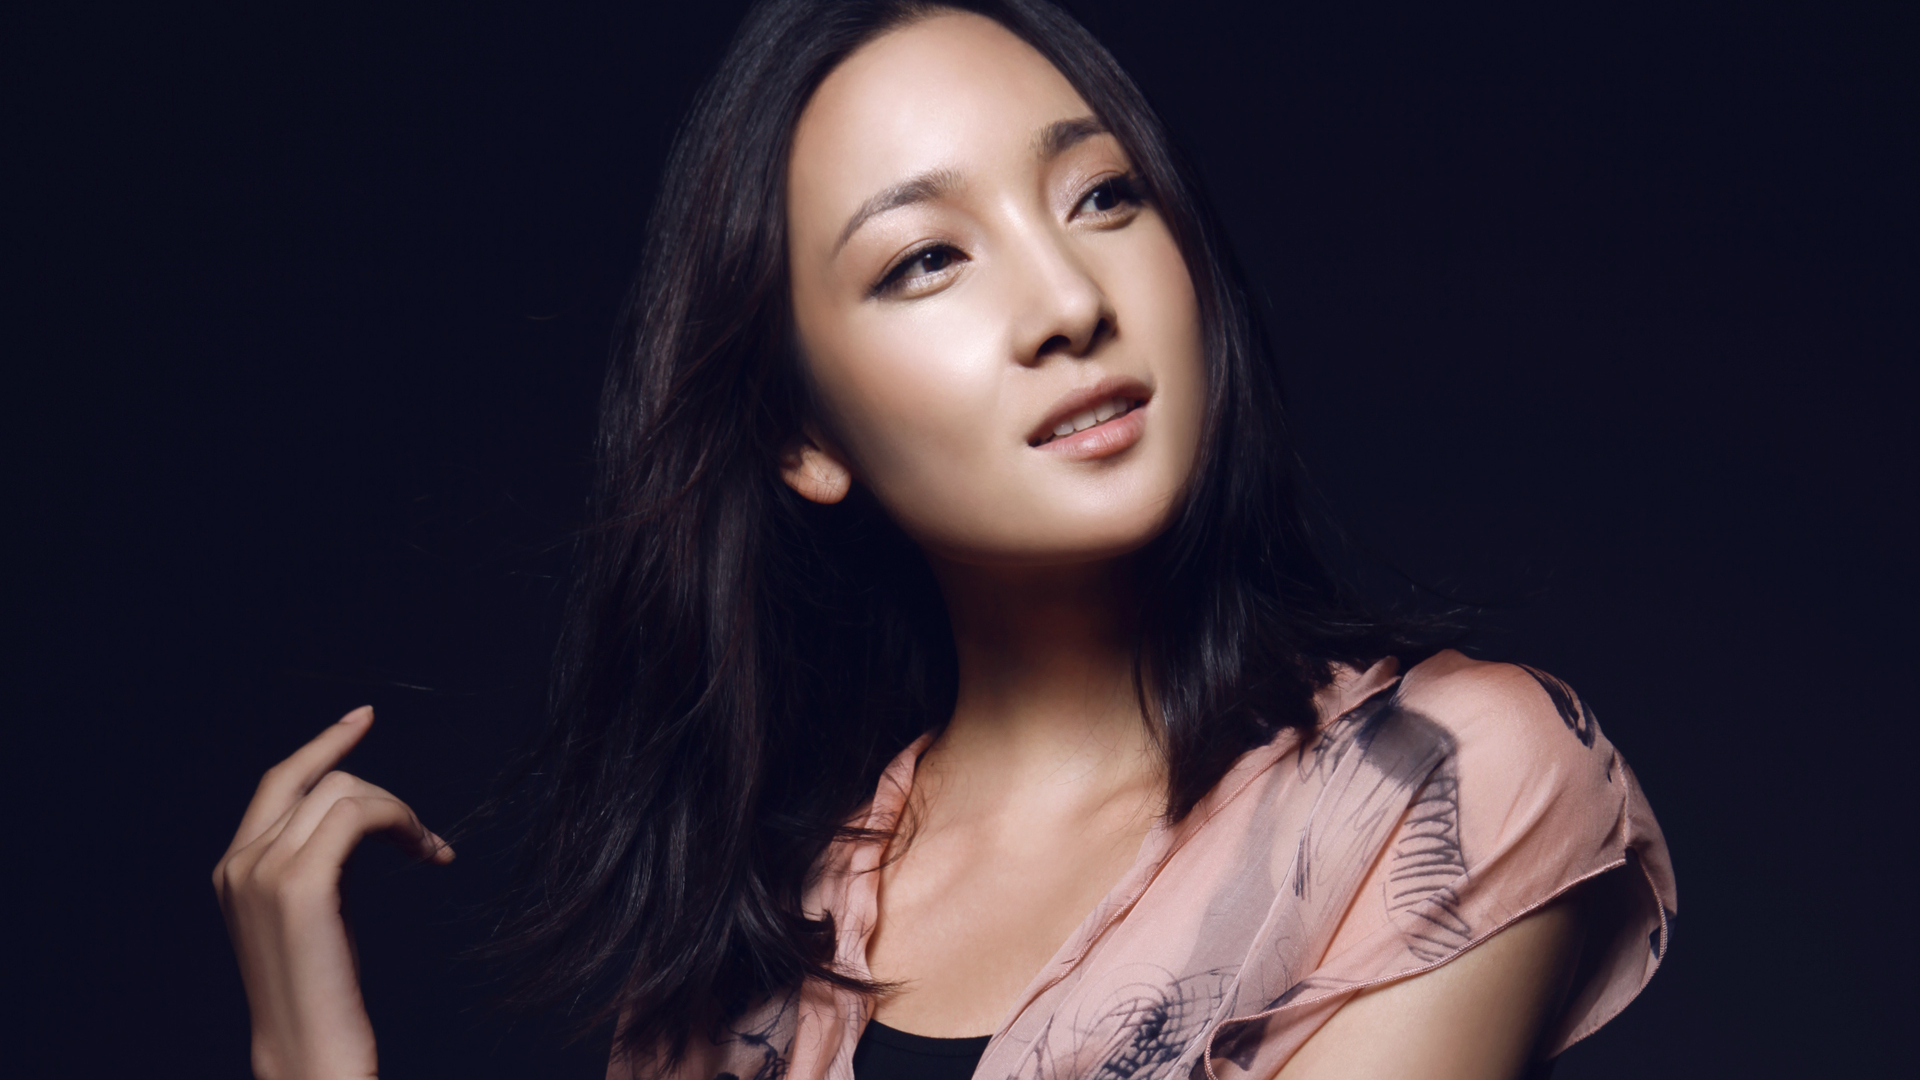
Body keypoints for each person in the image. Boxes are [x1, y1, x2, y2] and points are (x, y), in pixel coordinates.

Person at [212, 2, 1677, 1078]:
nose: (1068, 302)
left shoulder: (1438, 786)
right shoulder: (745, 962)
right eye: (926, 260)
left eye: (1102, 195)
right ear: (804, 434)